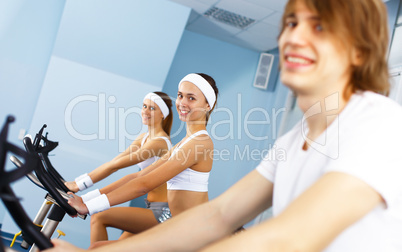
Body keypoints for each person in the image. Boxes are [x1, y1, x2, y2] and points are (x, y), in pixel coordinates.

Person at [43, 0, 402, 251]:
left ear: (359, 51)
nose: (294, 36)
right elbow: (217, 216)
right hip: (170, 217)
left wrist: (90, 201)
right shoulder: (296, 140)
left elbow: (289, 240)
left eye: (319, 26)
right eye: (292, 22)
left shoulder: (378, 124)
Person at [67, 73, 219, 247]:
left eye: (191, 98)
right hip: (177, 227)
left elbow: (144, 184)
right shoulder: (184, 143)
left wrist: (89, 207)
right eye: (180, 95)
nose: (182, 102)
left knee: (98, 246)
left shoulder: (200, 143)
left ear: (208, 105)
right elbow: (137, 177)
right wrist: (87, 199)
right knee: (98, 248)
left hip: (190, 233)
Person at [66, 91, 174, 245]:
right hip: (152, 209)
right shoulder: (143, 138)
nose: (145, 111)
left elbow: (118, 167)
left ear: (163, 114)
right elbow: (115, 163)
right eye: (144, 106)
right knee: (108, 247)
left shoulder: (159, 143)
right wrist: (83, 195)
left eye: (152, 108)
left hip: (163, 214)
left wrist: (79, 186)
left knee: (99, 217)